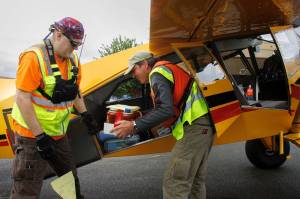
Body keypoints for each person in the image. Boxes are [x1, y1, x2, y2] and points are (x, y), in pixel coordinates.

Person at [10, 17, 98, 199]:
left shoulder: (72, 59)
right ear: (58, 35)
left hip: (58, 133)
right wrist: (40, 137)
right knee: (27, 188)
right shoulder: (33, 57)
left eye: (78, 46)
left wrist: (86, 115)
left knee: (69, 179)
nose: (75, 49)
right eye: (73, 44)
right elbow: (22, 98)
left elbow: (75, 91)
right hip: (31, 136)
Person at [111, 51, 215, 199]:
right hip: (204, 127)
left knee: (175, 182)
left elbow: (165, 110)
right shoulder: (167, 69)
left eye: (134, 70)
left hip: (194, 128)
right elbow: (168, 106)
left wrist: (133, 125)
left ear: (145, 65)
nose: (133, 75)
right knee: (195, 182)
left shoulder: (157, 73)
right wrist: (141, 116)